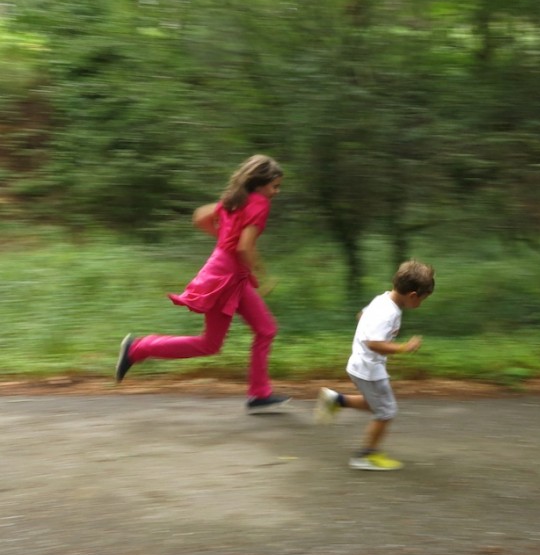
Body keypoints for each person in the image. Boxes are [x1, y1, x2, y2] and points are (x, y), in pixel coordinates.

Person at [115, 154, 290, 414]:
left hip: (229, 275)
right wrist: (261, 272)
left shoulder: (234, 201)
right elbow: (244, 247)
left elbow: (200, 217)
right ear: (260, 184)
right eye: (274, 186)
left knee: (265, 330)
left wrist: (224, 241)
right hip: (226, 278)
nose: (277, 192)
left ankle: (259, 394)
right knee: (211, 343)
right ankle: (138, 348)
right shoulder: (259, 204)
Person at [315, 260, 435, 471]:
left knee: (375, 404)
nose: (421, 304)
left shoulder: (382, 299)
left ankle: (335, 401)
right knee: (386, 411)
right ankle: (366, 455)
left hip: (359, 365)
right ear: (413, 295)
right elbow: (374, 343)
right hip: (370, 370)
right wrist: (403, 348)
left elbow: (361, 315)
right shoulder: (389, 313)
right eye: (423, 299)